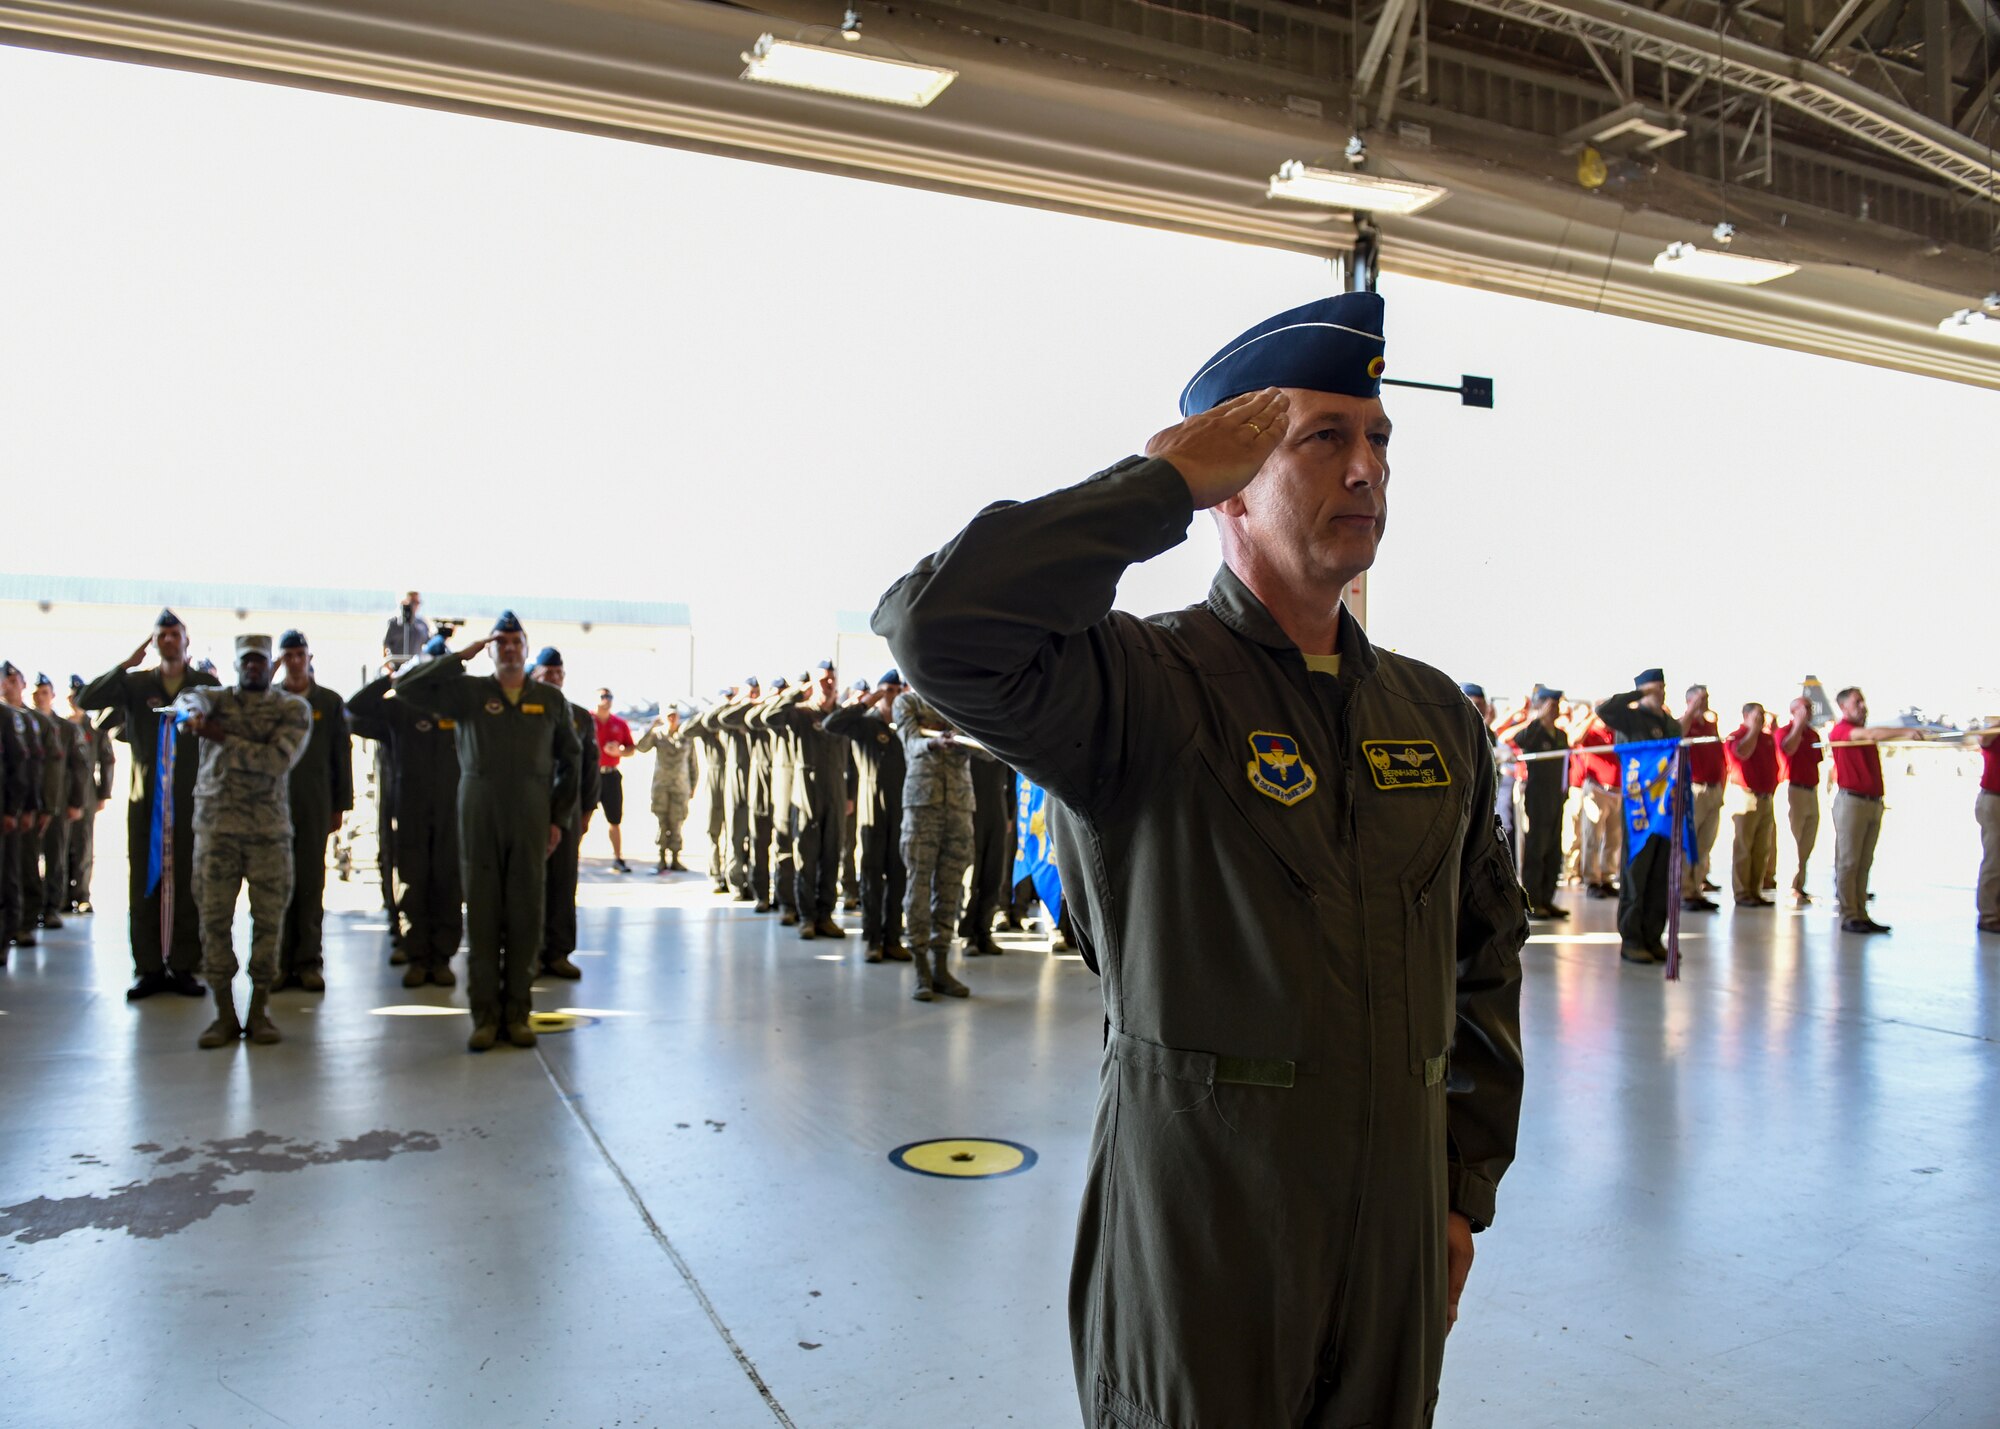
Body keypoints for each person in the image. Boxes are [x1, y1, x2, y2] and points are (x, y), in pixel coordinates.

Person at [874, 291, 1526, 1429]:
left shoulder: (1433, 716)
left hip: (1394, 1248)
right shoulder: (1137, 686)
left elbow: (1484, 960)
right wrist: (1157, 485)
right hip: (1203, 1244)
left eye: (1377, 439)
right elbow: (936, 626)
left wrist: (1459, 1194)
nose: (1365, 468)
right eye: (1322, 438)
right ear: (1230, 478)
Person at [396, 613, 580, 1050]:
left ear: (526, 647)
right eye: (501, 642)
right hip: (479, 811)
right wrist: (457, 657)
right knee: (481, 915)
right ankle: (484, 1016)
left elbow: (571, 761)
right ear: (491, 649)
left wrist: (558, 818)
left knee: (524, 916)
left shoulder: (550, 701)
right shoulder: (469, 693)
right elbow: (407, 688)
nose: (510, 649)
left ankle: (517, 1014)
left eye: (516, 641)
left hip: (532, 815)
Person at [175, 635, 313, 1049]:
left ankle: (258, 1013)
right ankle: (223, 1015)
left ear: (270, 666)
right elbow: (187, 700)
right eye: (246, 661)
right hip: (216, 833)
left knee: (268, 926)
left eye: (260, 661)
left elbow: (276, 761)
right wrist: (194, 713)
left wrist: (220, 736)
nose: (253, 667)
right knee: (213, 924)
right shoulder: (214, 699)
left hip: (267, 835)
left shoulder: (291, 708)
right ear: (236, 665)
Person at [79, 611, 220, 999]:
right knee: (145, 882)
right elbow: (87, 699)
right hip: (146, 803)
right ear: (153, 642)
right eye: (162, 634)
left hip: (191, 800)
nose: (169, 639)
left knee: (189, 884)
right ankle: (148, 969)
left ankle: (185, 966)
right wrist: (126, 664)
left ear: (187, 641)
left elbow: (225, 730)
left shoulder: (204, 685)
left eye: (175, 633)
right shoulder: (137, 684)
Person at [347, 636, 464, 989]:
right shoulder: (400, 709)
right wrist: (393, 678)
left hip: (450, 812)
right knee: (411, 882)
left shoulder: (462, 709)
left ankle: (441, 958)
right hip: (409, 810)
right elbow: (354, 711)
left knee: (447, 884)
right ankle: (416, 956)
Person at [269, 631, 353, 993]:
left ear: (309, 656)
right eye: (287, 655)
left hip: (315, 804)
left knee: (310, 884)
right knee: (275, 885)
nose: (294, 661)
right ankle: (278, 963)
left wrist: (340, 805)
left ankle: (307, 961)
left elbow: (341, 755)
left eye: (299, 654)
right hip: (274, 806)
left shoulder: (329, 702)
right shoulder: (270, 701)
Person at [892, 687, 978, 1001]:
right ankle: (920, 968)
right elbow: (910, 742)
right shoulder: (907, 702)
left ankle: (941, 964)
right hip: (922, 804)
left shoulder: (959, 699)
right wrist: (934, 742)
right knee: (919, 883)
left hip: (959, 805)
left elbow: (986, 748)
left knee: (951, 885)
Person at [761, 661, 849, 940]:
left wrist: (851, 795)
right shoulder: (801, 714)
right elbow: (769, 717)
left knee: (832, 855)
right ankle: (807, 917)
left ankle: (826, 915)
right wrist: (796, 694)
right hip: (807, 791)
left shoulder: (840, 717)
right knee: (806, 857)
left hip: (835, 790)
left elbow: (854, 759)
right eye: (823, 680)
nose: (829, 684)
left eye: (832, 680)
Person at [826, 672, 910, 963]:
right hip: (872, 809)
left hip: (901, 810)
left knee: (898, 875)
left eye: (898, 690)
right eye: (888, 690)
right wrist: (867, 701)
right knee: (873, 876)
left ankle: (893, 938)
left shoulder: (906, 727)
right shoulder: (866, 724)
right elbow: (831, 724)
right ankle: (873, 939)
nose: (893, 696)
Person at [528, 648, 600, 982]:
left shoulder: (580, 717)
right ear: (534, 677)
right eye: (547, 674)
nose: (553, 680)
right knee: (525, 883)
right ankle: (525, 954)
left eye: (558, 674)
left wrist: (585, 811)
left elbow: (589, 768)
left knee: (562, 882)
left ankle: (558, 953)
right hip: (528, 812)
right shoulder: (523, 712)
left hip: (567, 813)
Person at [1827, 687, 1921, 935]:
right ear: (1844, 707)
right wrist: (1905, 732)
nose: (1862, 706)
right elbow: (1870, 733)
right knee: (1849, 861)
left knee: (1863, 862)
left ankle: (1860, 912)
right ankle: (1849, 914)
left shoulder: (1861, 733)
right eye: (1857, 702)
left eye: (1863, 701)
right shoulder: (1843, 730)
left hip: (1871, 802)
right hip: (1852, 803)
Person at [1503, 686, 1568, 919]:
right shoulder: (1534, 732)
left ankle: (1547, 899)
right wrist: (1537, 719)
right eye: (1550, 704)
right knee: (1536, 849)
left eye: (1557, 705)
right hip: (1538, 796)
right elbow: (1518, 739)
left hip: (1557, 797)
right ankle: (1532, 901)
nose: (1555, 709)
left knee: (1553, 850)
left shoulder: (1561, 735)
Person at [27, 674, 80, 932]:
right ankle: (32, 908)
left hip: (58, 801)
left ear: (52, 695)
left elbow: (78, 767)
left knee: (55, 857)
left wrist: (76, 801)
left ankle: (52, 908)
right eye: (37, 693)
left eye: (45, 692)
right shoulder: (25, 723)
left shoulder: (66, 729)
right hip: (30, 803)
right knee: (27, 859)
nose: (40, 697)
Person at [63, 675, 115, 915]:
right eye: (71, 697)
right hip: (59, 794)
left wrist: (104, 793)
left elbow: (107, 760)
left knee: (83, 845)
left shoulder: (94, 728)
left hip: (86, 794)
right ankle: (61, 896)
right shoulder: (59, 725)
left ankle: (82, 895)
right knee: (59, 847)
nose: (75, 701)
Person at [1723, 703, 1780, 907]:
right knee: (1744, 846)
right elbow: (1741, 753)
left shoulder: (1767, 738)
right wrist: (1754, 731)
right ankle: (1741, 892)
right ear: (1746, 715)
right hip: (1745, 796)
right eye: (1757, 715)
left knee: (1762, 847)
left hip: (1766, 797)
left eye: (1763, 715)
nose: (1762, 718)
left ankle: (1755, 890)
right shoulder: (1737, 735)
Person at [961, 751, 1018, 957]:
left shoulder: (999, 736)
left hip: (998, 808)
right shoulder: (969, 732)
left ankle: (984, 932)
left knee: (994, 874)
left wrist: (1010, 813)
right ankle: (968, 935)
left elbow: (1012, 778)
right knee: (972, 875)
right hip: (972, 808)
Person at [0, 666, 40, 956]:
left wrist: (16, 809)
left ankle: (8, 935)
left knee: (7, 874)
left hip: (4, 809)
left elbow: (20, 765)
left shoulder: (7, 717)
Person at [634, 705, 699, 873]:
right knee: (662, 822)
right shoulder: (657, 734)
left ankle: (676, 858)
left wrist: (693, 785)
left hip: (680, 786)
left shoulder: (686, 737)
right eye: (669, 716)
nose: (672, 719)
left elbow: (693, 764)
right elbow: (641, 747)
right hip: (661, 786)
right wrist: (651, 727)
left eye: (674, 715)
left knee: (677, 822)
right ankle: (661, 858)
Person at [1679, 685, 1725, 913]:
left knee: (1705, 843)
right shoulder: (1685, 724)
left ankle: (1696, 887)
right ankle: (1684, 889)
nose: (1705, 701)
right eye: (1701, 697)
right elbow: (1676, 733)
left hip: (1713, 790)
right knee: (1689, 842)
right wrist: (1691, 710)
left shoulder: (1710, 726)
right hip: (1693, 789)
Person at [1778, 697, 1824, 907]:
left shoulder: (1813, 735)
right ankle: (1789, 885)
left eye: (1810, 708)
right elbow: (1788, 749)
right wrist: (1798, 725)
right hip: (1792, 788)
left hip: (1810, 790)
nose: (1809, 711)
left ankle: (1799, 885)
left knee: (1807, 839)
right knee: (1792, 840)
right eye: (1804, 708)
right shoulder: (1784, 732)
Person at [687, 690, 734, 889]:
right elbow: (687, 730)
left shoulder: (732, 720)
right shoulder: (709, 723)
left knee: (735, 830)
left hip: (735, 776)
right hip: (714, 777)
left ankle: (733, 874)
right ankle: (715, 873)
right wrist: (713, 709)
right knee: (713, 828)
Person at [591, 688, 637, 874]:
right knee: (580, 817)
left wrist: (620, 751)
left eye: (609, 697)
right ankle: (572, 857)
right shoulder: (586, 720)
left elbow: (631, 748)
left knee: (615, 820)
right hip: (590, 774)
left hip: (610, 775)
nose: (606, 700)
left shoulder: (619, 723)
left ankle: (618, 858)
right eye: (602, 697)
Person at [1976, 719, 1999, 934]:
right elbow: (1983, 738)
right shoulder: (1994, 728)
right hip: (1994, 799)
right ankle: (1989, 915)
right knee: (1994, 858)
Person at [381, 590, 431, 665]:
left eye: (418, 603)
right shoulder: (394, 623)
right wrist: (388, 666)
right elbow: (386, 646)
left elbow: (429, 644)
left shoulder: (422, 624)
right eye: (412, 602)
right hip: (397, 666)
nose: (415, 606)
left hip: (415, 667)